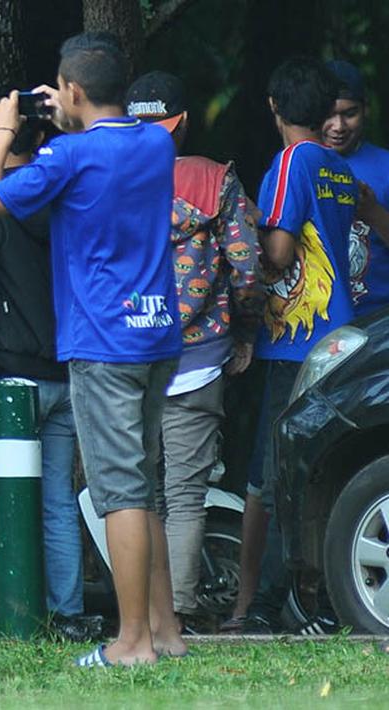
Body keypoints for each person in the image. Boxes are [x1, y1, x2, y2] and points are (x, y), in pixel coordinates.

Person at [0, 33, 184, 666]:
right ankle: (166, 632)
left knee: (118, 492)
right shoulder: (156, 143)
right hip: (157, 333)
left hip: (103, 342)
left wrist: (5, 132)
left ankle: (132, 642)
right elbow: (105, 139)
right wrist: (69, 115)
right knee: (143, 486)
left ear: (72, 90)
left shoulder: (67, 156)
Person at [125, 72, 264, 634]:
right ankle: (176, 612)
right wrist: (246, 331)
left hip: (126, 356)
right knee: (184, 496)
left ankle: (140, 614)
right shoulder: (214, 181)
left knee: (137, 492)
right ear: (181, 123)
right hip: (199, 359)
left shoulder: (109, 178)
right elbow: (249, 268)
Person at [0, 84, 88, 639]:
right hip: (65, 371)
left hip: (8, 378)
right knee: (55, 499)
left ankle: (19, 618)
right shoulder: (64, 198)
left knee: (4, 503)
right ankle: (70, 613)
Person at [225, 57, 356, 636]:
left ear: (274, 107)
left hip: (295, 345)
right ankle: (313, 597)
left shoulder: (290, 161)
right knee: (315, 471)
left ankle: (258, 604)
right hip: (341, 339)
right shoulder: (336, 165)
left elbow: (277, 255)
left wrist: (238, 224)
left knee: (268, 478)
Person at [322, 60, 389, 316]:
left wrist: (374, 214)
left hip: (379, 321)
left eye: (350, 113)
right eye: (328, 114)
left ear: (366, 110)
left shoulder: (385, 167)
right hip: (318, 326)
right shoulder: (298, 166)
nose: (338, 126)